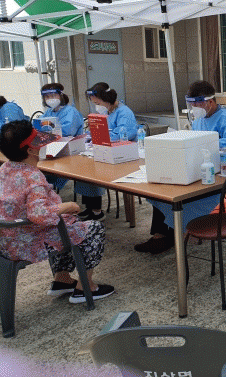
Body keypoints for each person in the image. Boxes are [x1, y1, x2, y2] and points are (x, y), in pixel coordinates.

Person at [0, 120, 114, 303]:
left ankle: (62, 279)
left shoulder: (5, 169)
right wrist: (68, 206)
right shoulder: (32, 177)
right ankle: (85, 288)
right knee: (93, 228)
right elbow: (39, 214)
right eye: (37, 142)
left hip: (7, 240)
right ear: (31, 150)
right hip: (26, 242)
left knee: (67, 224)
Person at [134, 80, 226, 254]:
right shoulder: (198, 120)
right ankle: (163, 234)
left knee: (181, 198)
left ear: (210, 101)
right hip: (196, 170)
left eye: (197, 104)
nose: (194, 108)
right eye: (191, 104)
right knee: (162, 190)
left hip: (216, 177)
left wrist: (207, 141)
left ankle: (169, 234)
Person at [75, 82, 138, 222]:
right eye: (94, 104)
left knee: (93, 170)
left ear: (107, 99)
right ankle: (90, 206)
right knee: (84, 168)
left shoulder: (124, 112)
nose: (97, 107)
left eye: (98, 103)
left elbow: (123, 135)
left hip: (123, 155)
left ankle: (96, 210)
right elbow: (99, 131)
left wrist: (99, 136)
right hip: (106, 151)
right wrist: (89, 136)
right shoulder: (108, 112)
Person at [39, 83, 85, 191]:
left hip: (70, 150)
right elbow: (38, 125)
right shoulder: (49, 111)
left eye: (53, 96)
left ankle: (48, 190)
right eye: (47, 97)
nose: (50, 99)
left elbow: (67, 131)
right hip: (53, 148)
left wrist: (47, 130)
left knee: (45, 169)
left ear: (61, 95)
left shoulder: (70, 111)